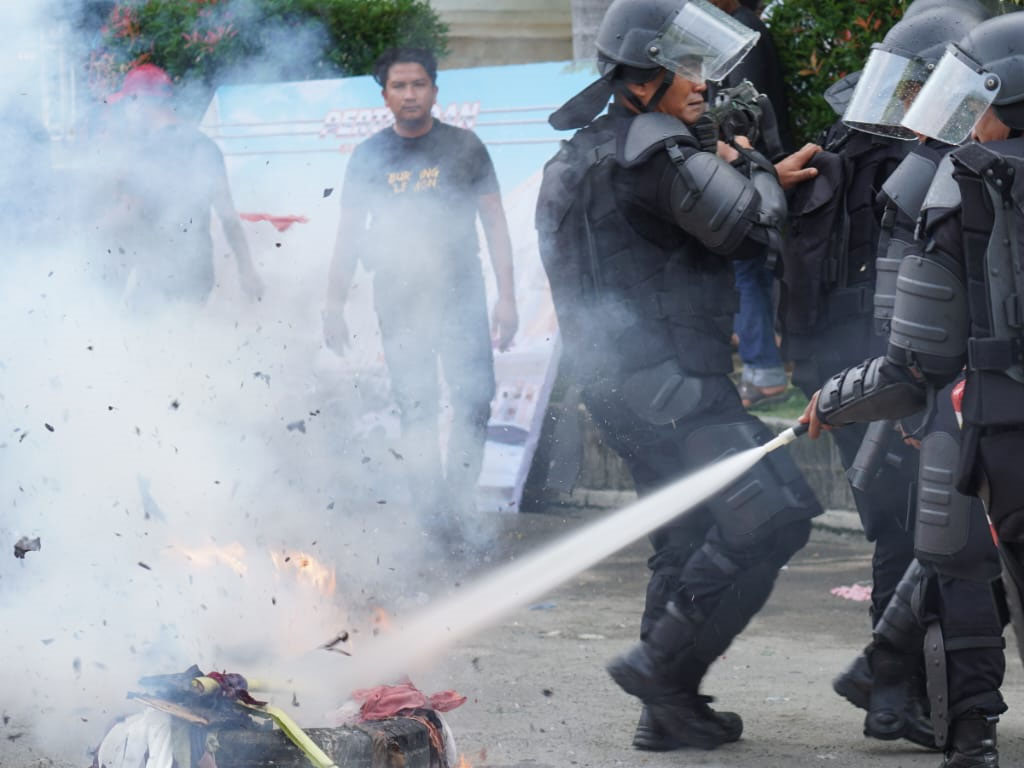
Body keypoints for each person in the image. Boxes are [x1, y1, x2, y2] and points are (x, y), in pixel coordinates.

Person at [536, 0, 822, 750]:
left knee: (687, 533)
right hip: (673, 385)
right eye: (684, 69)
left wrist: (734, 168)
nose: (699, 83)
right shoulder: (653, 153)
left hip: (617, 388)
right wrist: (758, 168)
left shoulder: (575, 155)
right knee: (776, 509)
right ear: (640, 81)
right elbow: (750, 229)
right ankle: (659, 668)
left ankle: (667, 714)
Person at [802, 13, 1024, 765]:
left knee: (958, 567)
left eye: (975, 98)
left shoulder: (955, 186)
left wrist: (835, 402)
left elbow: (916, 360)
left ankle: (971, 740)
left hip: (990, 424)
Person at [323, 48, 518, 530]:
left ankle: (460, 499)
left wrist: (508, 297)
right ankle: (431, 514)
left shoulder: (466, 148)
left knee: (474, 400)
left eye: (419, 85)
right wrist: (333, 302)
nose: (410, 95)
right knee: (417, 405)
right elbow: (348, 234)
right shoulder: (369, 155)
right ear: (385, 95)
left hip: (461, 296)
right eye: (399, 86)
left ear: (434, 89)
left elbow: (495, 223)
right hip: (399, 299)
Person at [102, 64, 264, 308]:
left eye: (128, 103)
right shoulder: (205, 146)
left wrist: (87, 232)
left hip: (158, 275)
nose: (127, 112)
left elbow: (128, 214)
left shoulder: (145, 154)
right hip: (198, 273)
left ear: (140, 101)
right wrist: (247, 269)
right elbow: (228, 217)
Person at [709, 0, 793, 408]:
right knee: (753, 272)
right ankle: (766, 365)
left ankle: (764, 371)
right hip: (757, 169)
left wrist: (733, 156)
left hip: (747, 171)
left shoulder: (738, 31)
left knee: (744, 271)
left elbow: (742, 113)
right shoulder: (744, 27)